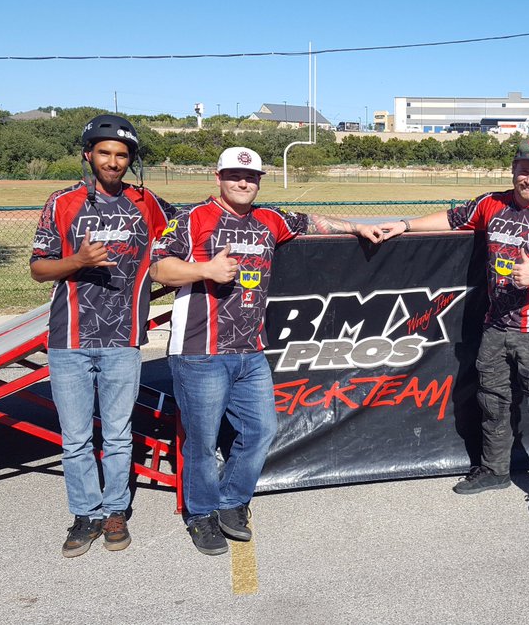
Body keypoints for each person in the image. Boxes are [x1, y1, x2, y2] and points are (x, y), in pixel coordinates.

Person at [150, 146, 383, 556]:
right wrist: (205, 270)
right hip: (198, 351)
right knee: (202, 441)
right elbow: (158, 267)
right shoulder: (191, 219)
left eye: (252, 177)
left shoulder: (268, 220)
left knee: (261, 431)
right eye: (235, 175)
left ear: (259, 181)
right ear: (218, 176)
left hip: (251, 350)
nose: (243, 183)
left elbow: (312, 221)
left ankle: (232, 502)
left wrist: (357, 228)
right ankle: (201, 514)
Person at [379, 138, 529, 515]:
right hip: (495, 325)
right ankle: (495, 470)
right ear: (513, 168)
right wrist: (404, 225)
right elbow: (453, 218)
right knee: (492, 402)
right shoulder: (491, 203)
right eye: (524, 169)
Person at [30, 114, 170, 557]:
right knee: (75, 437)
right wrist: (78, 260)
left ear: (131, 160)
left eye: (122, 154)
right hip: (69, 339)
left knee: (117, 434)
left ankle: (114, 510)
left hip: (122, 338)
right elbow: (38, 268)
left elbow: (196, 225)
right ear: (88, 155)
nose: (113, 162)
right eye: (104, 152)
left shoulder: (146, 203)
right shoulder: (62, 202)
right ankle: (84, 514)